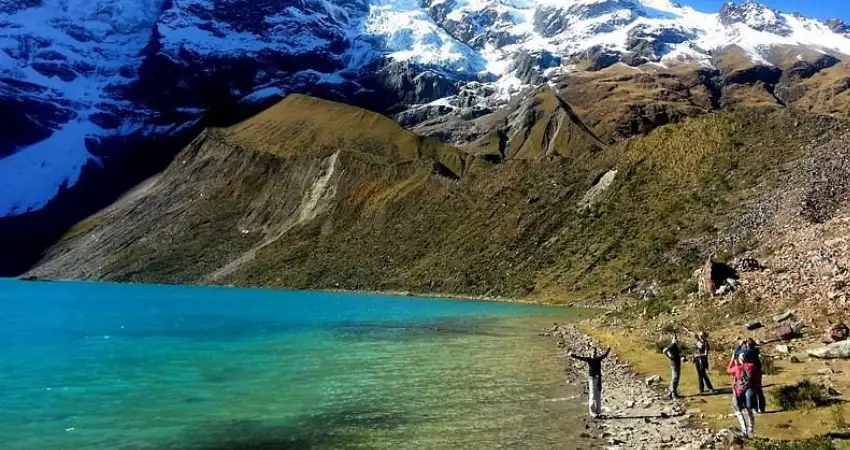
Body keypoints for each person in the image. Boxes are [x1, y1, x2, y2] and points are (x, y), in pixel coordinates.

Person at [570, 345, 611, 419]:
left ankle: (598, 411)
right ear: (590, 353)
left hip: (598, 378)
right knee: (592, 393)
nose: (594, 354)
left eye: (595, 352)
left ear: (596, 353)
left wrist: (608, 349)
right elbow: (580, 358)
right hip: (592, 378)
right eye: (593, 353)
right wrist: (572, 355)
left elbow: (605, 355)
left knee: (598, 393)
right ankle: (592, 411)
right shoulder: (589, 359)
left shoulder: (598, 359)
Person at [727, 350, 758, 438]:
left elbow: (728, 370)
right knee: (749, 410)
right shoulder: (752, 366)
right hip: (749, 390)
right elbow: (754, 369)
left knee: (738, 410)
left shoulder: (737, 368)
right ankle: (751, 429)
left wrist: (732, 360)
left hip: (738, 391)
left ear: (740, 359)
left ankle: (744, 431)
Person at [745, 338, 766, 413]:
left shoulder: (747, 351)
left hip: (750, 372)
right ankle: (762, 407)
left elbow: (739, 353)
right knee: (759, 390)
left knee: (751, 390)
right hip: (758, 372)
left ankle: (754, 408)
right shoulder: (756, 351)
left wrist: (740, 346)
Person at [662, 335, 682, 399]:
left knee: (675, 378)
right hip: (674, 364)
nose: (676, 339)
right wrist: (669, 357)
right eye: (674, 338)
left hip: (677, 363)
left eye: (676, 338)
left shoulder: (675, 345)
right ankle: (673, 394)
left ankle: (671, 393)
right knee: (675, 378)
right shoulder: (672, 345)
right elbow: (664, 350)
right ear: (672, 339)